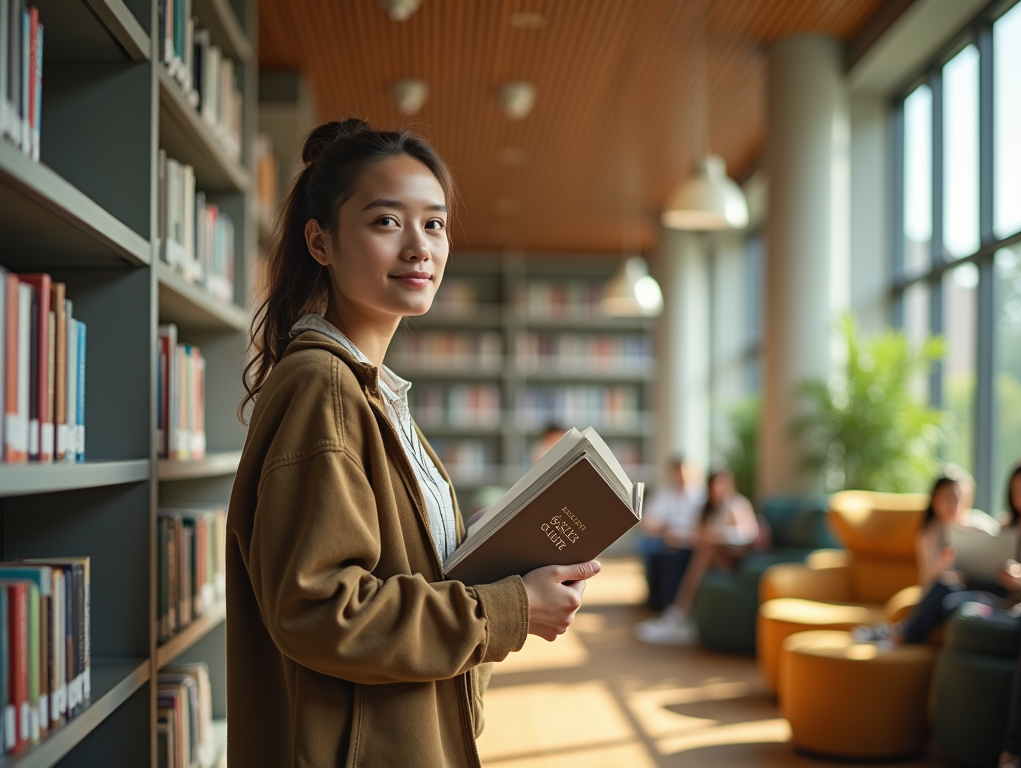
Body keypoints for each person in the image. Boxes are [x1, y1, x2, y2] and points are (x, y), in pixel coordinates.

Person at [225, 119, 601, 767]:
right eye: (385, 222)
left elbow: (385, 560)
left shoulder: (372, 392)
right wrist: (510, 608)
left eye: (434, 223)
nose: (419, 247)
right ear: (321, 242)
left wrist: (480, 543)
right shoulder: (325, 386)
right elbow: (319, 609)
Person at [635, 469, 758, 645]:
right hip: (714, 556)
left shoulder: (737, 504)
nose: (717, 489)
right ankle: (681, 612)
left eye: (720, 484)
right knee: (693, 551)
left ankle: (680, 610)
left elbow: (748, 533)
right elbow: (698, 535)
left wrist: (717, 536)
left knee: (705, 552)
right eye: (713, 485)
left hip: (736, 559)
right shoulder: (709, 508)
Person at [896, 472, 1003, 644]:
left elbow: (1001, 558)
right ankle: (905, 634)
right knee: (944, 592)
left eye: (958, 498)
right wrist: (941, 565)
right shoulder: (930, 533)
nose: (953, 505)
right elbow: (926, 583)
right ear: (934, 500)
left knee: (944, 590)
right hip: (955, 590)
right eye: (947, 498)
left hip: (987, 587)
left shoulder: (982, 525)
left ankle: (904, 635)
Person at [636, 456, 705, 610]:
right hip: (665, 539)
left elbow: (703, 530)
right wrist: (666, 531)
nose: (682, 476)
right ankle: (657, 602)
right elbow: (648, 521)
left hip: (689, 542)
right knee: (646, 546)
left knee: (672, 557)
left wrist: (680, 537)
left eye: (685, 471)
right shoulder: (665, 492)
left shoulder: (702, 495)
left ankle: (670, 606)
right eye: (678, 472)